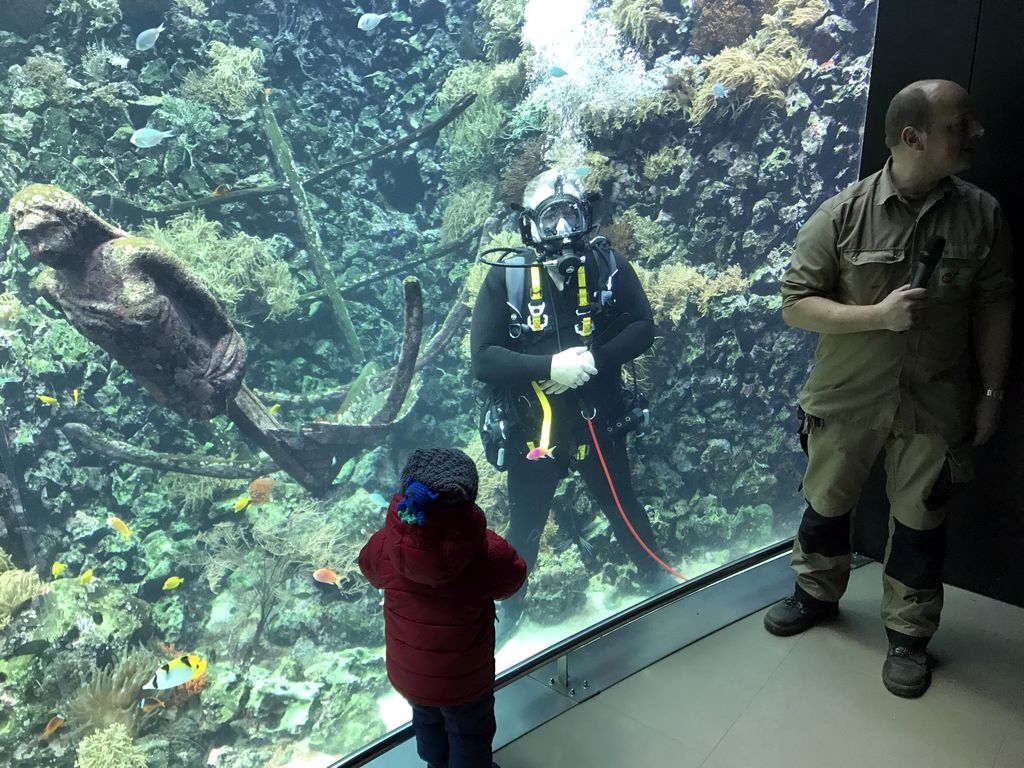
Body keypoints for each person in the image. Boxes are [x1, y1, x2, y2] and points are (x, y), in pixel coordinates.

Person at [765, 80, 1014, 697]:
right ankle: (814, 594)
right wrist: (877, 317)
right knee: (825, 505)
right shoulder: (842, 213)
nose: (976, 133)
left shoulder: (982, 215)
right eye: (960, 125)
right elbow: (796, 305)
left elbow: (995, 307)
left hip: (936, 401)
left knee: (922, 525)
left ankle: (909, 636)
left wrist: (992, 395)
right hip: (845, 398)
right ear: (913, 137)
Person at [470, 168, 673, 643]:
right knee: (524, 530)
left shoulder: (606, 264)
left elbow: (643, 325)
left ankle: (657, 581)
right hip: (533, 438)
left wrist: (596, 359)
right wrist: (549, 367)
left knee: (625, 510)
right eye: (549, 218)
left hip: (597, 426)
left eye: (571, 215)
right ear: (529, 227)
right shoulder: (508, 278)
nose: (562, 230)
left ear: (587, 218)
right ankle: (503, 621)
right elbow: (483, 358)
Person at [359, 448, 526, 768]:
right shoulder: (486, 551)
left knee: (427, 720)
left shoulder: (384, 544)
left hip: (412, 674)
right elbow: (514, 578)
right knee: (470, 734)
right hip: (466, 680)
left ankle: (436, 764)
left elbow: (368, 567)